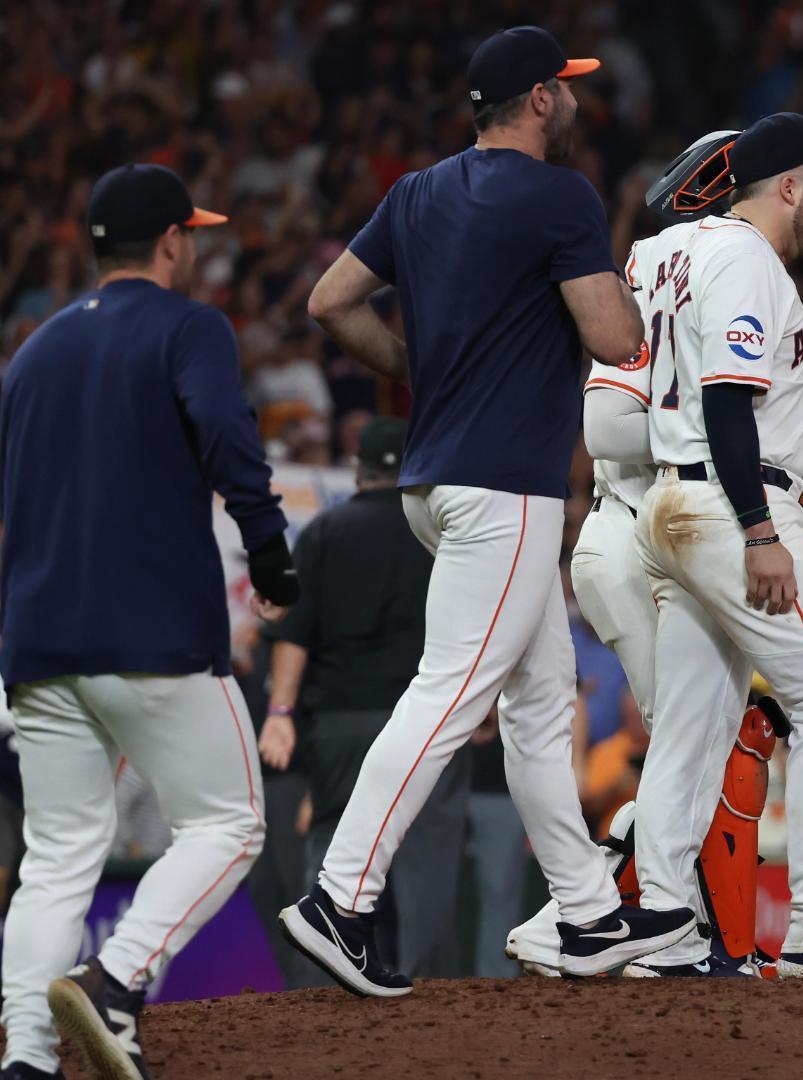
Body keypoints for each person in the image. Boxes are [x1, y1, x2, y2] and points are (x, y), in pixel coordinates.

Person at [279, 26, 678, 998]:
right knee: (452, 693)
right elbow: (615, 336)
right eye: (567, 87)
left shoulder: (418, 191)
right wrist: (641, 300)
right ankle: (340, 895)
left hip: (435, 477)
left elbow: (331, 302)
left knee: (541, 706)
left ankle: (585, 913)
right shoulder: (558, 194)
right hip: (504, 487)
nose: (578, 100)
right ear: (538, 100)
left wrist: (416, 368)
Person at [0, 164, 294, 1080]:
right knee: (232, 822)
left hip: (37, 637)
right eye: (191, 232)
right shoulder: (189, 324)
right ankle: (118, 978)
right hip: (153, 631)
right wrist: (269, 546)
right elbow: (225, 429)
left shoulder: (32, 350)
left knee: (53, 860)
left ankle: (27, 1059)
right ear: (173, 240)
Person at [621, 112, 803, 977]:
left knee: (690, 719)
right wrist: (759, 528)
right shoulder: (747, 257)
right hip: (725, 505)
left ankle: (665, 921)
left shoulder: (674, 251)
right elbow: (725, 402)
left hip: (668, 499)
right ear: (785, 185)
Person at [258, 418, 470, 981]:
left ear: (358, 470)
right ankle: (429, 992)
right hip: (426, 719)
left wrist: (280, 712)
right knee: (426, 858)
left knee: (334, 849)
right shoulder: (439, 534)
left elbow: (293, 634)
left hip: (340, 722)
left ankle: (322, 989)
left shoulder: (325, 531)